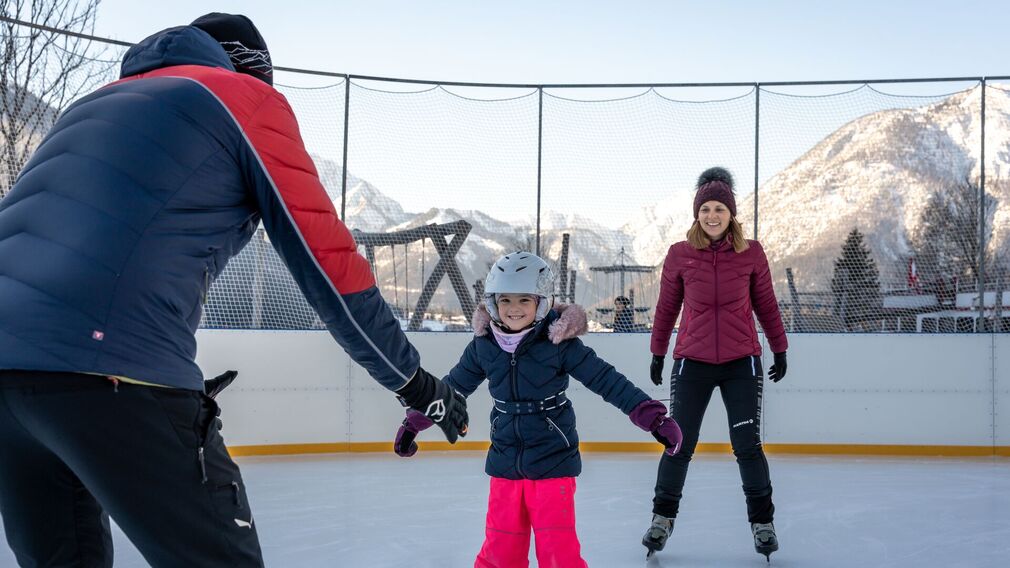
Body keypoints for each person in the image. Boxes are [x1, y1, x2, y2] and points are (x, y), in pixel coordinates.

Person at [0, 13, 466, 567]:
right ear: (255, 72)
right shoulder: (242, 98)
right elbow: (329, 265)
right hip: (117, 372)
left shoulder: (92, 105)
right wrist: (413, 381)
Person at [393, 252, 683, 568]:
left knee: (558, 552)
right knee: (500, 551)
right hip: (505, 459)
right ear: (492, 303)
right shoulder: (484, 346)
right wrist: (414, 423)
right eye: (505, 300)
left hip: (553, 458)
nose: (514, 308)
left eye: (524, 299)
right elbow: (450, 391)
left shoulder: (559, 344)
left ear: (541, 302)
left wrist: (652, 417)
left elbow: (606, 380)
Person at [642, 167, 789, 561]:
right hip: (692, 362)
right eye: (705, 208)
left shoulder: (751, 253)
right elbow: (667, 308)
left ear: (731, 214)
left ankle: (762, 524)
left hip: (743, 363)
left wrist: (780, 348)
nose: (712, 215)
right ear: (697, 213)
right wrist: (658, 352)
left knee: (747, 446)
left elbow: (767, 305)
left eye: (720, 208)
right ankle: (661, 519)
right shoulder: (679, 254)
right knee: (679, 443)